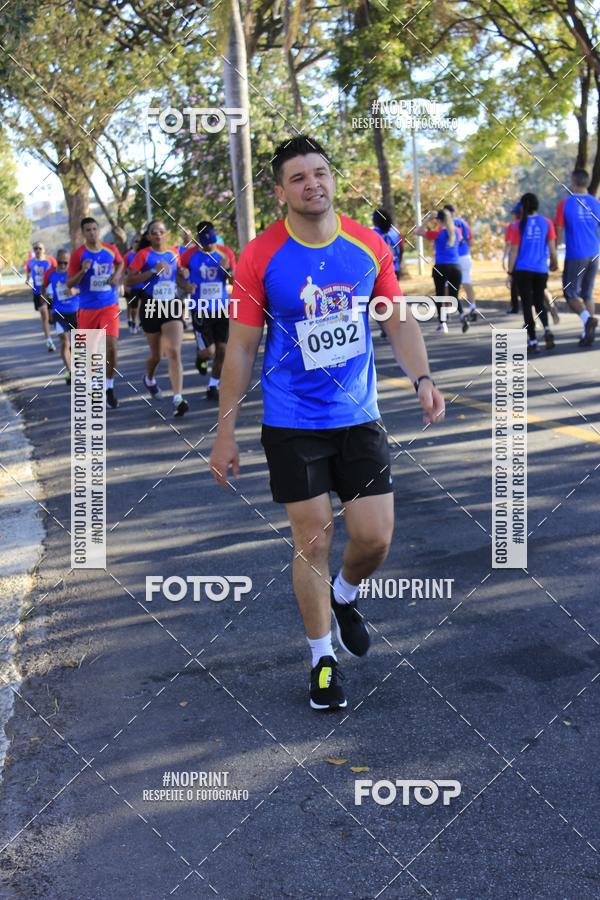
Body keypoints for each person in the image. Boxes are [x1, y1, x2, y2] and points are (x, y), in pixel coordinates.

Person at [209, 135, 445, 711]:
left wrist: (422, 378)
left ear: (332, 179)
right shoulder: (260, 255)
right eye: (298, 177)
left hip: (358, 415)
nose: (312, 183)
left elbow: (396, 320)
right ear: (280, 192)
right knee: (312, 537)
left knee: (374, 538)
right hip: (292, 420)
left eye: (320, 172)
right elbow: (240, 349)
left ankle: (345, 593)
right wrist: (225, 431)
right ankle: (322, 659)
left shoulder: (367, 244)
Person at [126, 219, 188, 417]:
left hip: (171, 304)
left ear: (166, 234)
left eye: (161, 231)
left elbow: (177, 277)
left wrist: (185, 279)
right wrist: (152, 271)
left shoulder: (174, 253)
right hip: (151, 305)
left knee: (173, 351)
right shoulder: (143, 255)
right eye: (154, 232)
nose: (158, 235)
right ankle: (149, 378)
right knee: (157, 355)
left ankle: (178, 398)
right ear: (149, 236)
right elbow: (130, 280)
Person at [66, 217, 124, 409]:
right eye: (88, 230)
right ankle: (95, 386)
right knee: (91, 353)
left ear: (98, 230)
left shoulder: (110, 249)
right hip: (87, 308)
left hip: (109, 305)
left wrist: (116, 276)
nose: (92, 233)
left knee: (111, 347)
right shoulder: (78, 255)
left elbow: (120, 263)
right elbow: (69, 283)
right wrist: (82, 272)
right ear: (83, 233)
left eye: (94, 229)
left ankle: (109, 386)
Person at [179, 221, 232, 401]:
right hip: (200, 310)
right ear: (199, 240)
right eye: (205, 243)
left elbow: (234, 279)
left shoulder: (226, 253)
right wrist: (186, 285)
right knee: (209, 352)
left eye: (212, 242)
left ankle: (213, 385)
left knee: (222, 350)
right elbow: (178, 275)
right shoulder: (189, 255)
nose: (209, 246)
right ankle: (200, 357)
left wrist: (227, 269)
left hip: (222, 309)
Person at [507, 192, 558, 353]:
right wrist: (554, 262)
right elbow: (552, 248)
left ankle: (534, 341)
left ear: (522, 207)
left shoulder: (518, 225)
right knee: (539, 302)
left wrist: (509, 273)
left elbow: (514, 251)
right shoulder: (546, 222)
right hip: (541, 269)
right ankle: (547, 329)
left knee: (527, 305)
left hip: (523, 270)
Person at [555, 168, 600, 346]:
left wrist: (553, 254)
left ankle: (588, 320)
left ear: (573, 182)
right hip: (594, 253)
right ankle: (587, 333)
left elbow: (558, 232)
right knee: (587, 294)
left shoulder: (565, 204)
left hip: (576, 254)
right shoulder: (596, 203)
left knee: (569, 293)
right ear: (587, 182)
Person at [414, 209, 469, 333]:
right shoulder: (457, 232)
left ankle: (442, 323)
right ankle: (462, 315)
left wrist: (428, 219)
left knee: (439, 295)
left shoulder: (437, 233)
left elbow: (418, 232)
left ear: (439, 220)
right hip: (455, 267)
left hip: (441, 267)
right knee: (454, 295)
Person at [42, 249, 78, 383]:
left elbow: (85, 288)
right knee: (64, 342)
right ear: (56, 260)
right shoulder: (50, 273)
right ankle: (69, 372)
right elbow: (43, 289)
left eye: (65, 263)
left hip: (75, 311)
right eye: (60, 262)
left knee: (78, 343)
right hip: (58, 312)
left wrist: (75, 291)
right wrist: (47, 305)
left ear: (69, 261)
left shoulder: (75, 272)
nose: (62, 265)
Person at [444, 204, 478, 321]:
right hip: (465, 256)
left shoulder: (446, 224)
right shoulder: (464, 223)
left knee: (447, 284)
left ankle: (447, 312)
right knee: (467, 282)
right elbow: (471, 241)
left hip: (452, 258)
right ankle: (473, 308)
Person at [25, 242, 57, 351]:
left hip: (50, 292)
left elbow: (57, 272)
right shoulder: (30, 262)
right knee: (44, 315)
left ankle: (53, 322)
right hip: (38, 293)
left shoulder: (50, 260)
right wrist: (27, 280)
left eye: (40, 248)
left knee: (51, 317)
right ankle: (49, 341)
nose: (38, 250)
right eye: (35, 248)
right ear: (34, 250)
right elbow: (28, 274)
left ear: (44, 249)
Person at [504, 205, 522, 315]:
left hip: (515, 258)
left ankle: (515, 307)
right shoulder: (527, 224)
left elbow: (508, 243)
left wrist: (505, 257)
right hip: (526, 258)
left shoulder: (512, 226)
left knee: (514, 283)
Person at [124, 236, 141, 333]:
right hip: (132, 285)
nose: (137, 243)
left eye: (139, 242)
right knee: (131, 306)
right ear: (132, 244)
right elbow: (124, 271)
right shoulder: (128, 256)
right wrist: (125, 285)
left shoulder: (143, 254)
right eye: (136, 241)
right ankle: (130, 319)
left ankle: (137, 322)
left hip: (142, 285)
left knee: (140, 305)